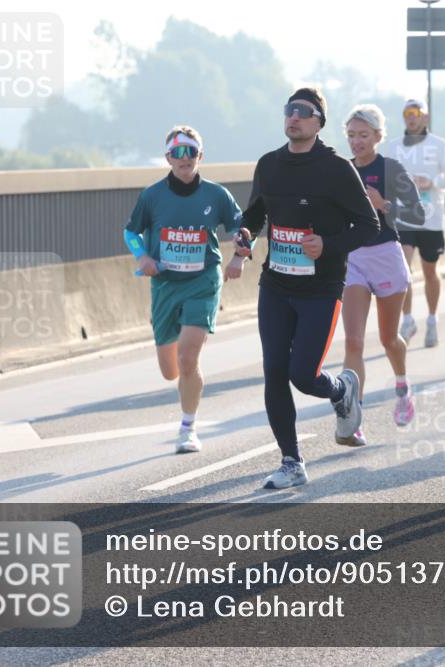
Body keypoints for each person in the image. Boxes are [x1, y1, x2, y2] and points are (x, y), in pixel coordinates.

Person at [226, 88, 380, 489]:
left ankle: (341, 388)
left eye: (303, 112)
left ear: (318, 123)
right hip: (276, 284)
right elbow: (256, 214)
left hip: (321, 288)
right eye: (289, 110)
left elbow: (368, 226)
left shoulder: (337, 169)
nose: (293, 117)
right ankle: (291, 461)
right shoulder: (270, 165)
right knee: (274, 371)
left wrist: (328, 245)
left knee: (302, 375)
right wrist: (245, 238)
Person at [124, 126, 243, 454]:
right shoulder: (152, 196)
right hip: (164, 284)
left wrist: (238, 259)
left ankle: (188, 428)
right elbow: (131, 232)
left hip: (203, 281)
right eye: (177, 152)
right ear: (167, 158)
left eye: (190, 151)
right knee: (170, 370)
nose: (184, 158)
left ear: (200, 156)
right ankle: (182, 383)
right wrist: (143, 255)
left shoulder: (217, 195)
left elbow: (242, 230)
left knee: (189, 357)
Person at [341, 104, 425, 446]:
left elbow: (418, 215)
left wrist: (384, 206)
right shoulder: (341, 171)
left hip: (387, 256)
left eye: (363, 135)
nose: (357, 142)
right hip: (353, 259)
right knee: (353, 341)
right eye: (351, 135)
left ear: (378, 136)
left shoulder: (390, 170)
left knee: (389, 339)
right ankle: (353, 418)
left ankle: (402, 386)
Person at [383, 99, 445, 348]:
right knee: (402, 268)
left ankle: (432, 318)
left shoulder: (439, 146)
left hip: (431, 218)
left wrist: (431, 181)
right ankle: (407, 319)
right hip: (403, 218)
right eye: (407, 113)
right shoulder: (393, 148)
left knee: (429, 271)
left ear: (425, 117)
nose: (411, 118)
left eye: (415, 113)